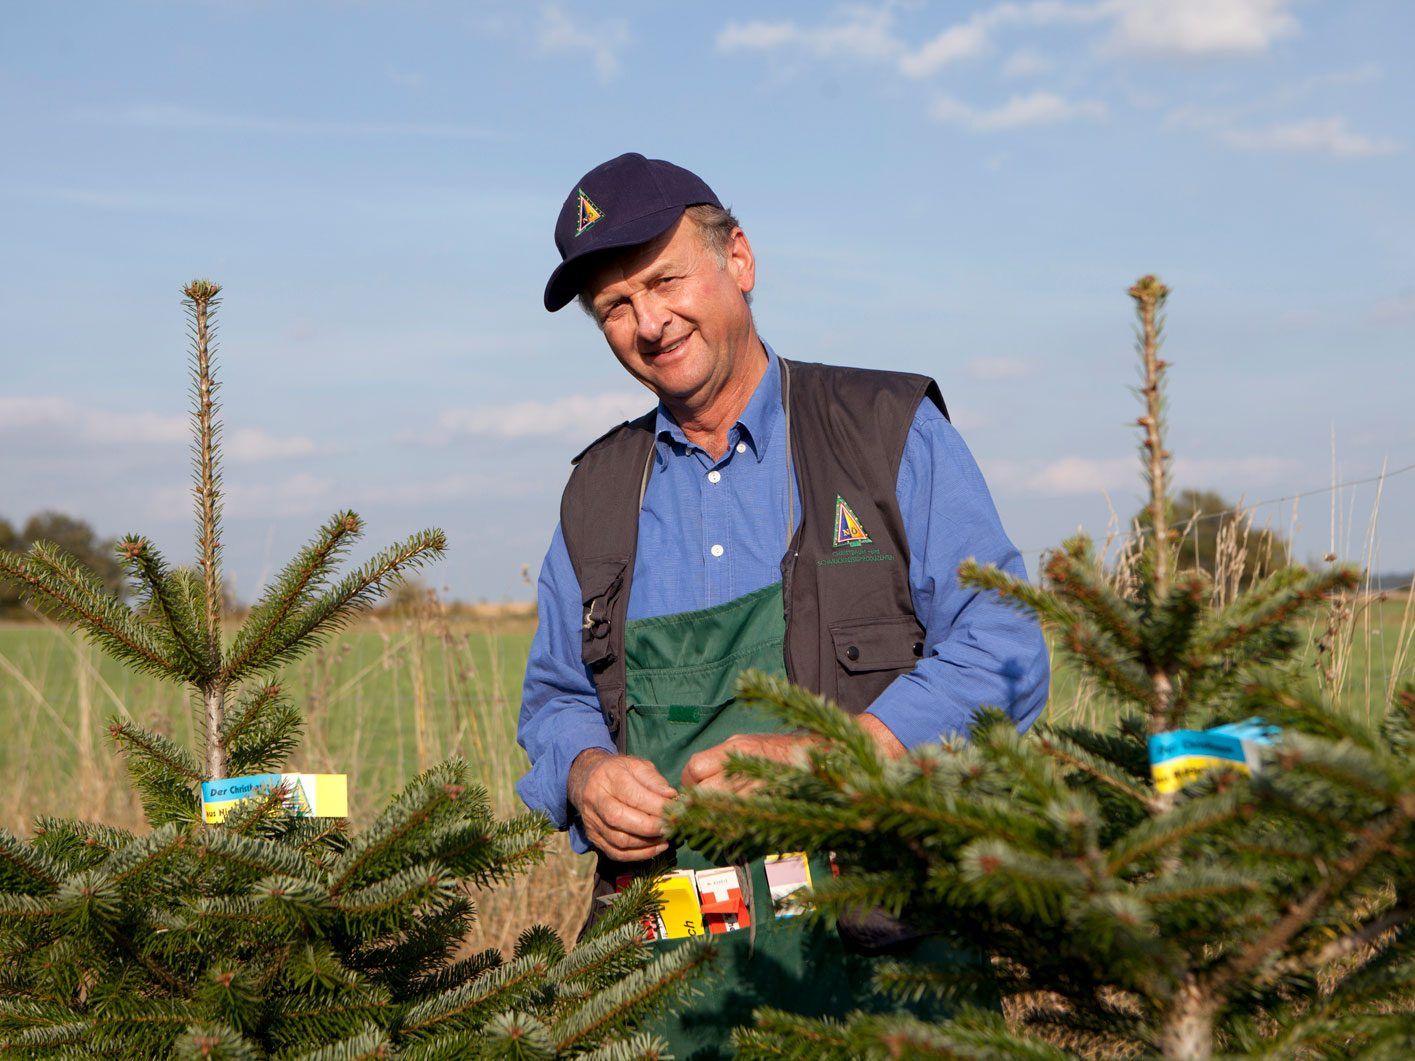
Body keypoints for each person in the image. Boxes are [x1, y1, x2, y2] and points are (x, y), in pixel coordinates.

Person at [517, 152, 1048, 1056]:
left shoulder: (885, 429)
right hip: (675, 976)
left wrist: (839, 753)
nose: (648, 321)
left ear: (740, 261)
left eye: (663, 280)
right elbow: (556, 697)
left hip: (881, 950)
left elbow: (1002, 647)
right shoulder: (595, 494)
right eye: (614, 306)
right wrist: (582, 774)